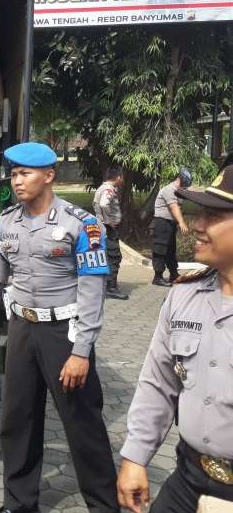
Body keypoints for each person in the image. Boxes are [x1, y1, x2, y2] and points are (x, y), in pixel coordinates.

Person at [0, 142, 119, 513]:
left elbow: (91, 291)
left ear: (49, 175)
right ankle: (19, 504)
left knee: (82, 423)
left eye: (25, 174)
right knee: (17, 420)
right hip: (22, 328)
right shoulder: (6, 223)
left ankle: (104, 505)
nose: (17, 182)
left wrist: (81, 352)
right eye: (14, 174)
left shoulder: (82, 224)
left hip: (64, 334)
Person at [117, 164, 233, 513]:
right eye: (199, 213)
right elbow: (158, 382)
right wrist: (136, 457)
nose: (197, 225)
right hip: (188, 482)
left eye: (213, 215)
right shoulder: (184, 297)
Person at [93, 165, 129, 300]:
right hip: (108, 229)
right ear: (118, 177)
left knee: (107, 256)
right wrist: (110, 221)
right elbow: (104, 204)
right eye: (122, 177)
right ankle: (111, 288)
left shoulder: (103, 188)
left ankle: (107, 286)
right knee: (114, 257)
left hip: (102, 228)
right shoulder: (108, 190)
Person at [152, 168, 192, 287]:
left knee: (171, 251)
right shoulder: (169, 190)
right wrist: (182, 223)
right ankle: (157, 277)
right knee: (160, 250)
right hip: (162, 223)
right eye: (184, 183)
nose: (185, 186)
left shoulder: (179, 190)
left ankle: (173, 274)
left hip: (170, 224)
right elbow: (174, 207)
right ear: (179, 179)